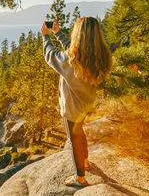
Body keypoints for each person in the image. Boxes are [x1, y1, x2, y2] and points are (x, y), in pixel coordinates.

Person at [41, 17, 112, 187]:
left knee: (74, 139)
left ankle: (80, 176)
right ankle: (85, 161)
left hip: (72, 106)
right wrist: (58, 33)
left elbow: (51, 56)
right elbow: (72, 50)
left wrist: (46, 37)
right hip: (87, 103)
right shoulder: (100, 55)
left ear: (78, 34)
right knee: (80, 132)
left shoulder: (70, 60)